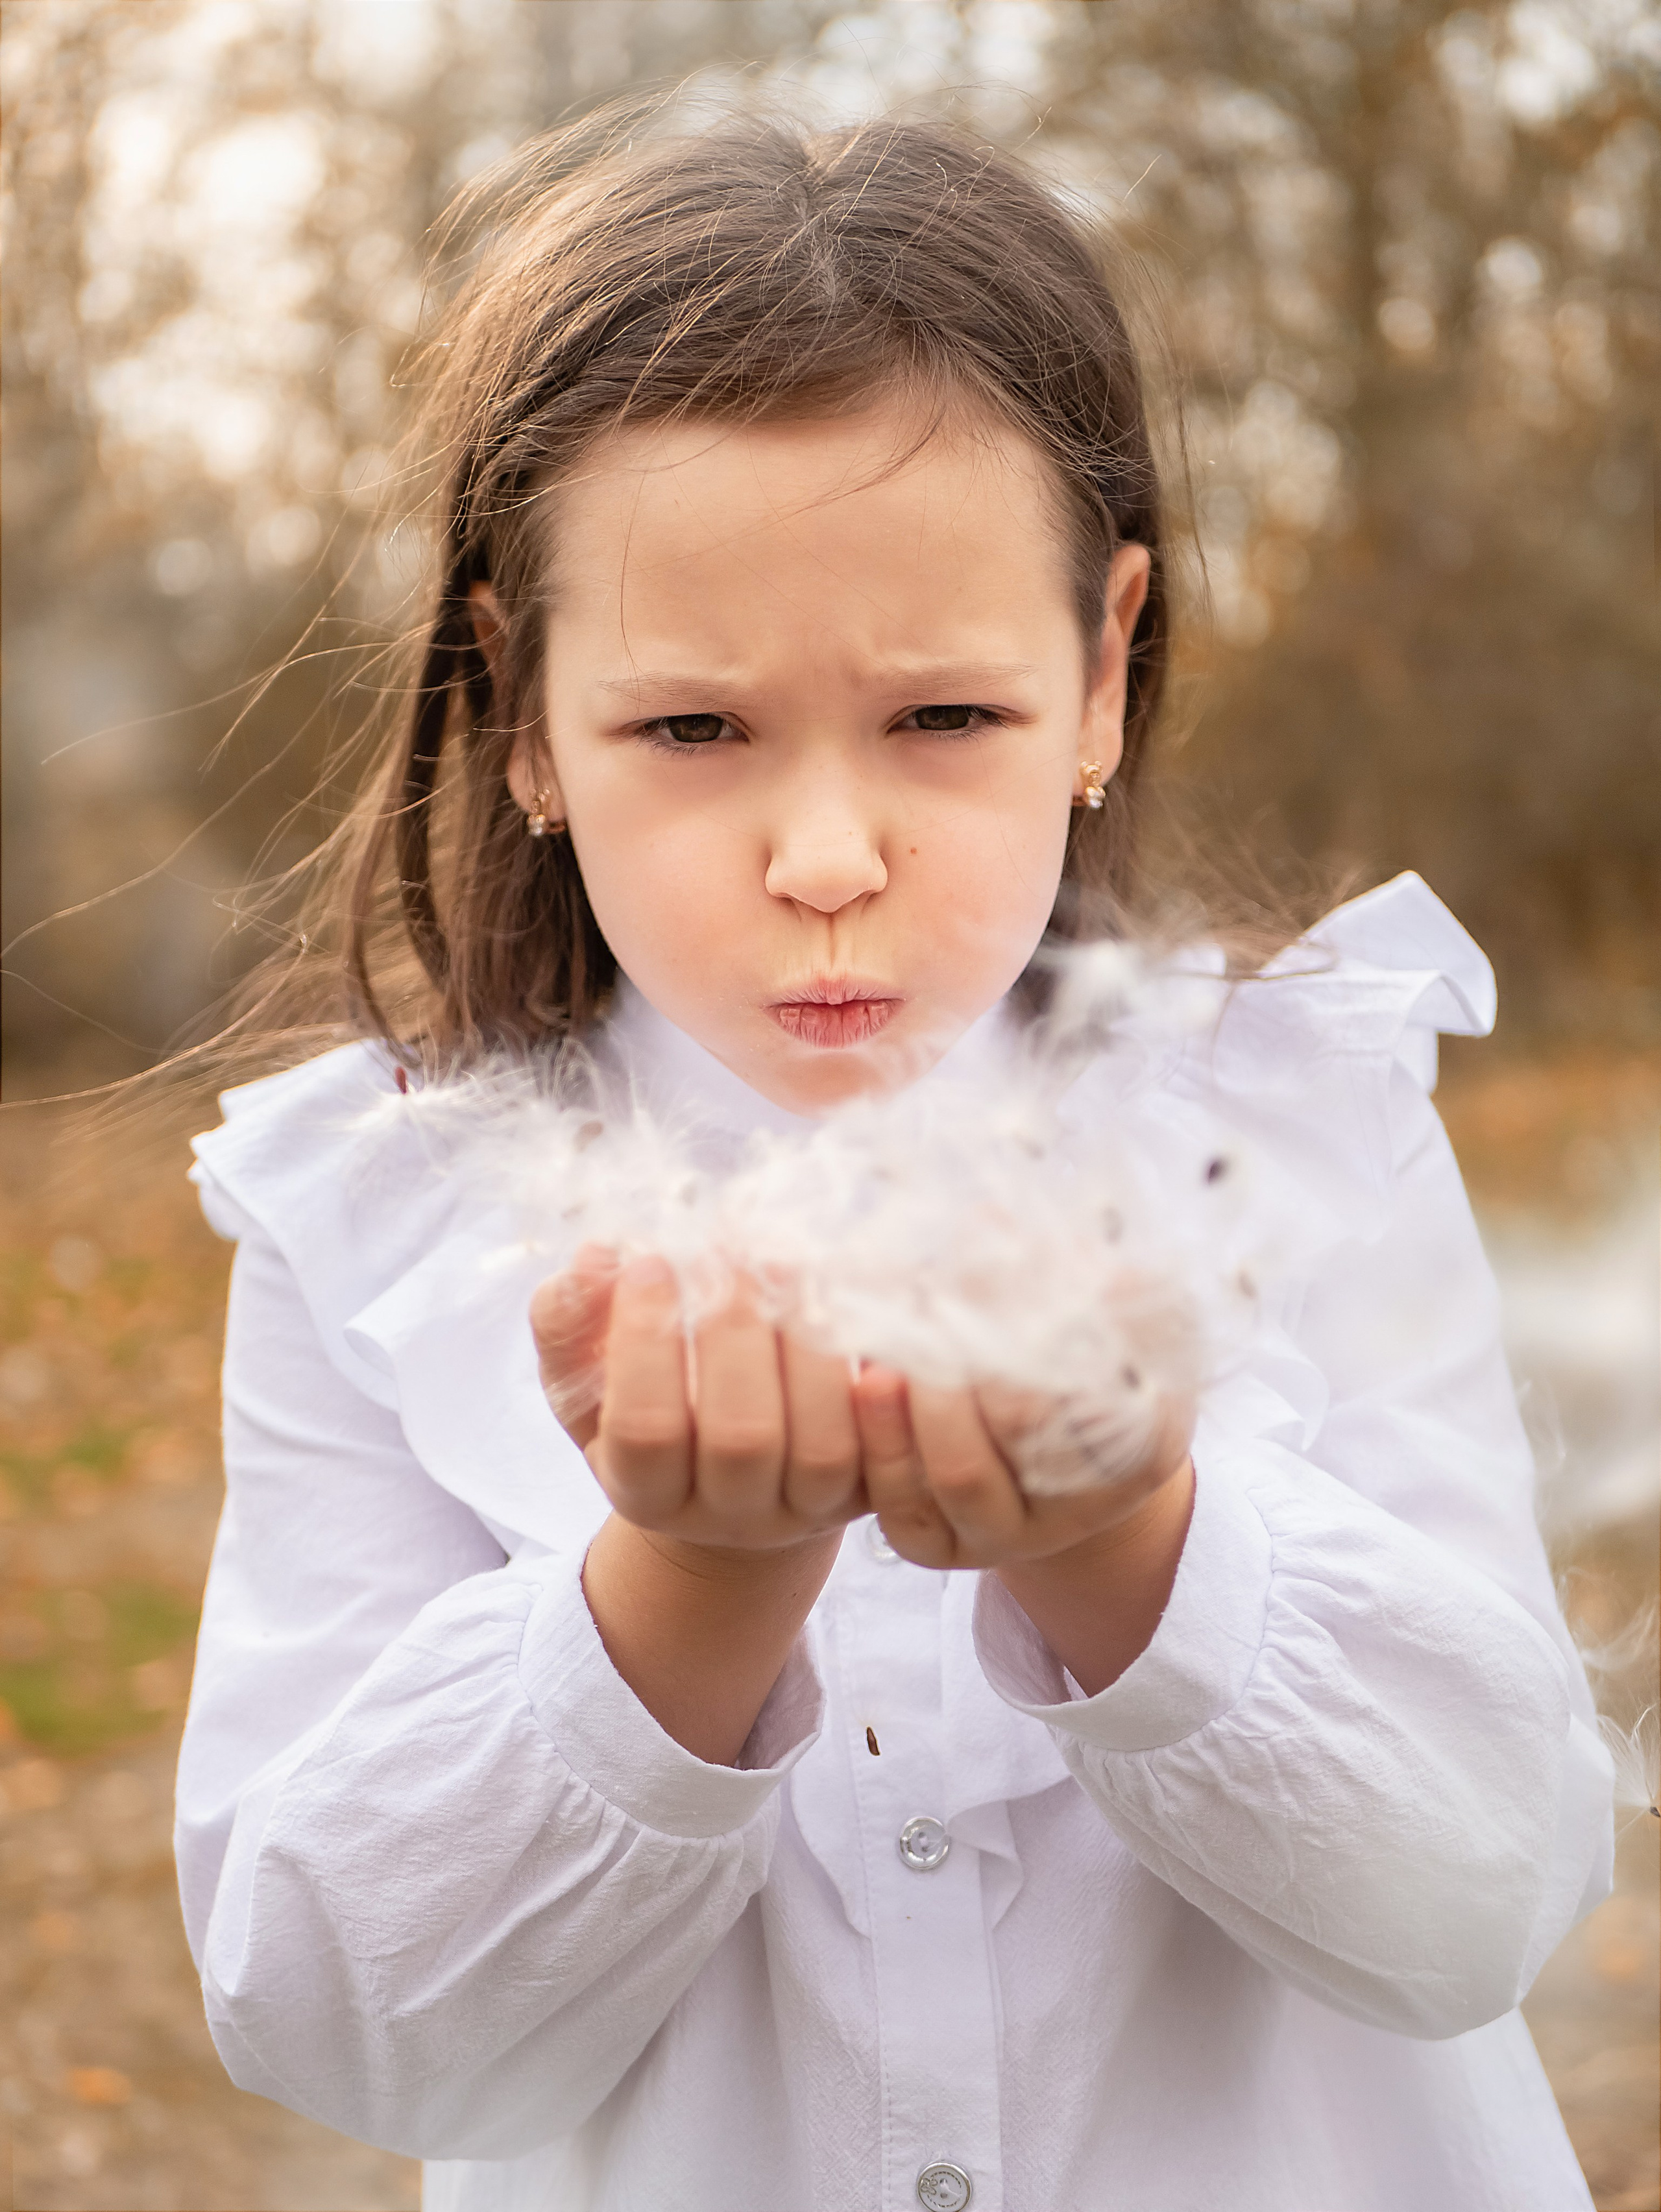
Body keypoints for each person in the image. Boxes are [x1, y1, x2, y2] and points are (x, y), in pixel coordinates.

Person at [175, 110, 1612, 2212]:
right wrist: (687, 1589)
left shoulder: (1296, 1131)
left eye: (944, 716)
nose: (830, 856)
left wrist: (1138, 1543)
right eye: (695, 730)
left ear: (1104, 668)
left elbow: (1485, 1901)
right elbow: (343, 2024)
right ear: (520, 706)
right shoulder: (378, 1228)